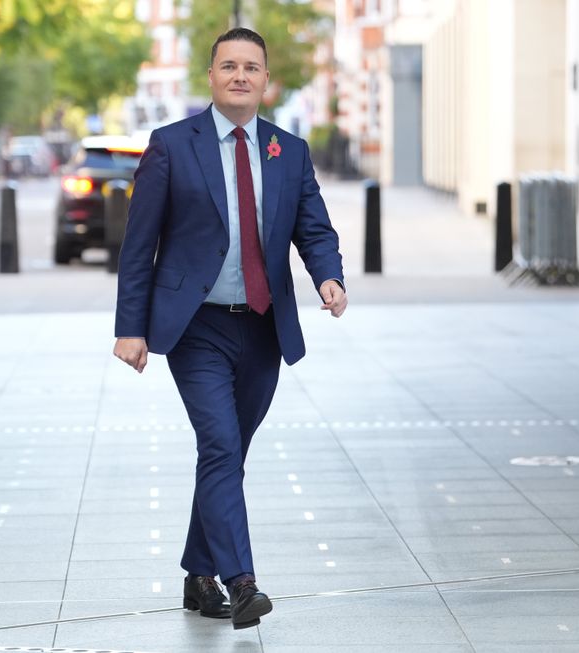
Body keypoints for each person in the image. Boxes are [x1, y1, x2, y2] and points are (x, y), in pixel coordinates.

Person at [113, 27, 347, 630]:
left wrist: (329, 277)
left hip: (263, 330)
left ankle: (197, 571)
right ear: (211, 77)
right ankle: (241, 582)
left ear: (266, 79)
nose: (240, 76)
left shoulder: (288, 151)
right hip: (195, 329)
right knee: (219, 445)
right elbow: (139, 246)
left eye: (251, 67)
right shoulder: (171, 145)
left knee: (228, 453)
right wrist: (130, 328)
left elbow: (313, 228)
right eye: (228, 66)